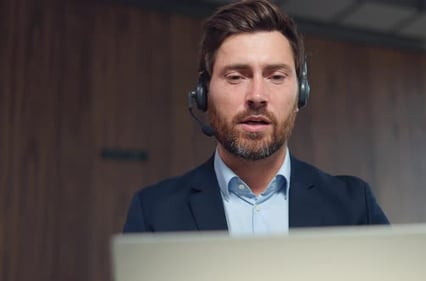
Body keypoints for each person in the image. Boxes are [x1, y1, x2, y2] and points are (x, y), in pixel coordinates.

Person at [123, 0, 389, 235]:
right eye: (236, 77)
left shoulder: (354, 206)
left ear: (301, 94)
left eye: (276, 76)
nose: (257, 96)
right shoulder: (154, 212)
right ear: (204, 94)